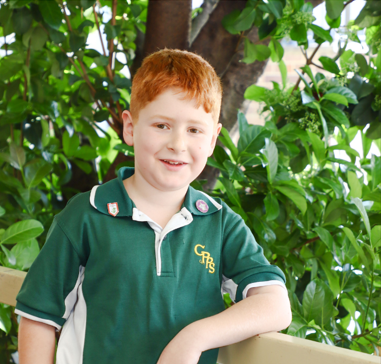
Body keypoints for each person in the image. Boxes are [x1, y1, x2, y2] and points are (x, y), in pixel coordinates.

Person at [16, 48, 292, 364]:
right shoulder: (86, 215)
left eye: (194, 130)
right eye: (162, 125)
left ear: (213, 140)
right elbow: (38, 316)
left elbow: (275, 305)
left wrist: (193, 339)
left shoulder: (221, 224)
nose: (177, 143)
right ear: (130, 128)